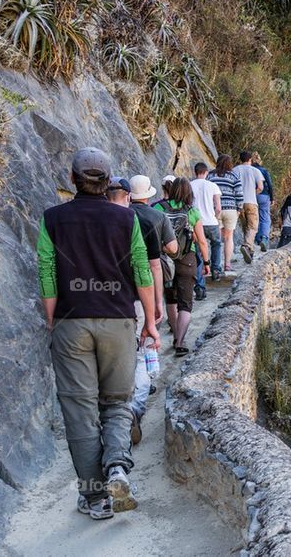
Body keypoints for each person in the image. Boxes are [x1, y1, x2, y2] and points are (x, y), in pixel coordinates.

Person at [37, 148, 159, 519]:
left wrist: (52, 319)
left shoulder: (52, 218)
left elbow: (47, 271)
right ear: (108, 182)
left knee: (80, 412)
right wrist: (150, 322)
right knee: (117, 403)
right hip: (118, 322)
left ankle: (94, 498)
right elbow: (142, 270)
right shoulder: (126, 218)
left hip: (71, 323)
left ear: (72, 179)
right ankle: (118, 468)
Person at [126, 174, 179, 445]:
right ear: (148, 194)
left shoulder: (120, 217)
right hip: (143, 295)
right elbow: (163, 258)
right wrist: (157, 303)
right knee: (145, 351)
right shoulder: (156, 217)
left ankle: (117, 411)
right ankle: (135, 408)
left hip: (117, 296)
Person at [155, 177, 211, 356]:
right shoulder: (192, 211)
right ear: (189, 193)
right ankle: (180, 342)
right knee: (185, 304)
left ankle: (174, 335)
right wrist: (207, 263)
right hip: (187, 259)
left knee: (171, 299)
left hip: (165, 260)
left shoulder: (158, 208)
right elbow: (202, 241)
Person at [190, 162, 223, 292]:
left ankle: (199, 286)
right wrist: (215, 216)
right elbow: (218, 207)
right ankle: (216, 269)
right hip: (211, 221)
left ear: (195, 172)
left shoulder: (190, 185)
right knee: (216, 244)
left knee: (197, 253)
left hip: (196, 223)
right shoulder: (213, 186)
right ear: (206, 172)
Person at [208, 155, 242, 274]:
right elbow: (239, 194)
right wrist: (239, 208)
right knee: (228, 237)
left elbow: (208, 192)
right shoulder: (234, 176)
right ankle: (227, 265)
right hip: (230, 209)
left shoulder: (211, 176)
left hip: (214, 209)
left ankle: (215, 264)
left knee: (215, 239)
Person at [233, 151, 264, 264]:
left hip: (239, 202)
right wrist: (253, 193)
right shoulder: (255, 170)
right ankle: (246, 246)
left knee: (245, 227)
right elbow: (260, 187)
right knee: (253, 227)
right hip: (251, 201)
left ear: (240, 159)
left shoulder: (235, 170)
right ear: (250, 159)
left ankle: (250, 251)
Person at [251, 151, 274, 252]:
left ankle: (256, 239)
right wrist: (272, 198)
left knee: (254, 217)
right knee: (265, 218)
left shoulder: (249, 170)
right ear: (260, 160)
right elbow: (269, 185)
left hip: (251, 196)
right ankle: (264, 238)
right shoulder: (263, 170)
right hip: (264, 195)